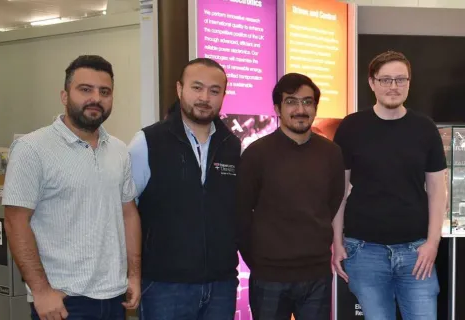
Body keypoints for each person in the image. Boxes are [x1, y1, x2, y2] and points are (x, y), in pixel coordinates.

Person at [3, 55, 141, 320]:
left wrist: (133, 275)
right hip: (64, 301)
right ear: (64, 96)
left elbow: (128, 214)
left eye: (104, 92)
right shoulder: (32, 149)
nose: (96, 98)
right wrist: (41, 291)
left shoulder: (118, 150)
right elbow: (15, 222)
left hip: (114, 297)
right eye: (85, 89)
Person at [330, 51, 447, 319]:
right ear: (372, 83)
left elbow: (437, 191)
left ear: (409, 83)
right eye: (385, 80)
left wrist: (432, 243)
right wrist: (336, 242)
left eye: (400, 79)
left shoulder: (425, 128)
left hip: (416, 252)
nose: (393, 86)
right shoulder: (351, 127)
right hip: (364, 251)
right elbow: (339, 191)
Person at [128, 58, 242, 319]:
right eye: (197, 88)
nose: (205, 98)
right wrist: (133, 273)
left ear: (223, 96)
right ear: (179, 89)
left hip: (221, 285)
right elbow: (125, 210)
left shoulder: (232, 145)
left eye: (214, 91)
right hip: (165, 286)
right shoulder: (148, 142)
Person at [235, 73, 345, 319]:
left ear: (315, 107)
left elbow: (333, 203)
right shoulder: (256, 154)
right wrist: (259, 262)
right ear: (277, 109)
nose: (300, 109)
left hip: (316, 274)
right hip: (269, 276)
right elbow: (241, 214)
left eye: (307, 102)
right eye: (291, 102)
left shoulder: (331, 153)